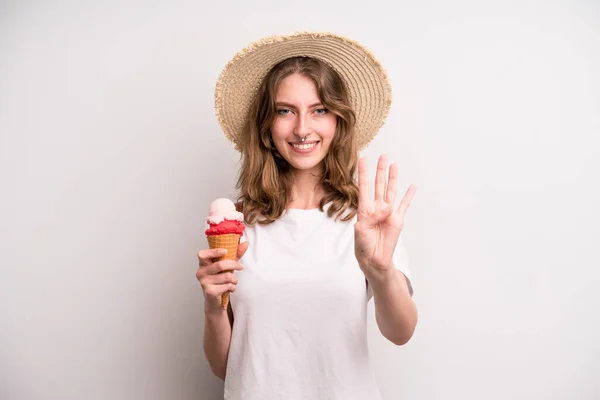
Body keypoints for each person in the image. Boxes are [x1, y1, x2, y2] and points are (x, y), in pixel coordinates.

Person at [196, 32, 418, 399]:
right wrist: (212, 305)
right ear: (267, 126)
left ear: (338, 122)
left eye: (319, 110)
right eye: (285, 111)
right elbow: (225, 367)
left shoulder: (364, 220)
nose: (302, 129)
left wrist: (381, 271)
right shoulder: (237, 225)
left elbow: (401, 332)